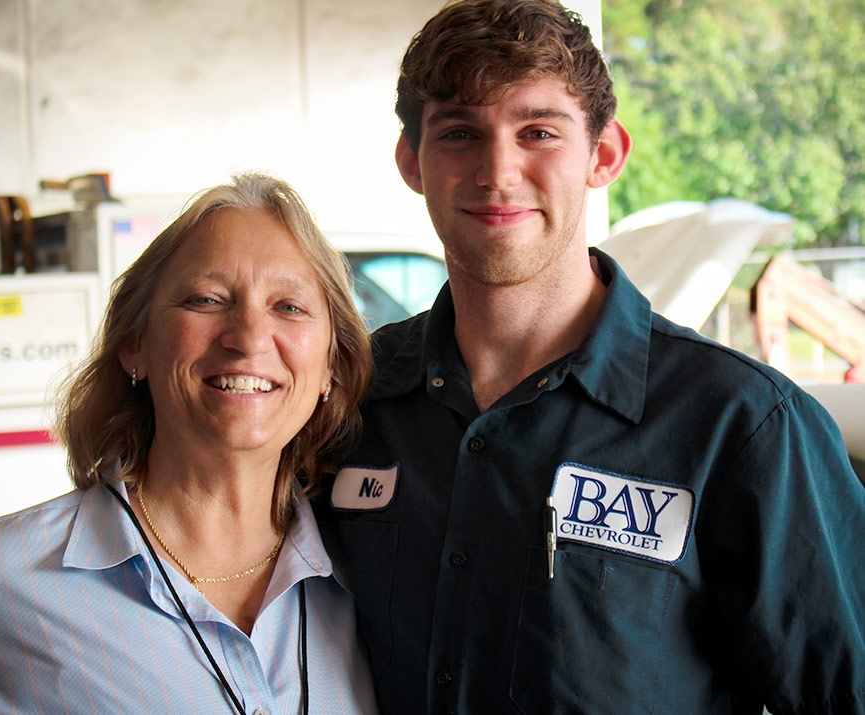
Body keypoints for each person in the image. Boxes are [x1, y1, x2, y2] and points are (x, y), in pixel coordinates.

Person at [319, 1, 865, 713]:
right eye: (458, 132)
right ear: (411, 162)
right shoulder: (350, 401)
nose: (497, 171)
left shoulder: (742, 424)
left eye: (537, 131)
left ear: (603, 155)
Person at [0, 171, 378, 714]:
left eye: (288, 306)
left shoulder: (373, 573)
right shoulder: (5, 580)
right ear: (134, 346)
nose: (247, 337)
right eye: (206, 299)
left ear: (330, 370)